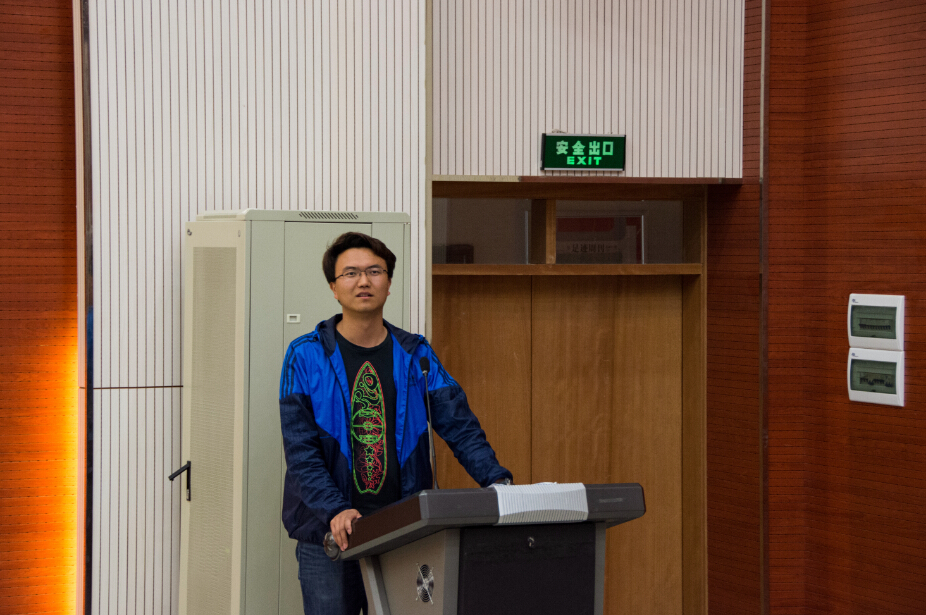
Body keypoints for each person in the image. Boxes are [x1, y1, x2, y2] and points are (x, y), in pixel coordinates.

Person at [279, 231, 512, 615]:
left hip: (404, 530)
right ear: (334, 288)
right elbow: (301, 451)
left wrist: (498, 482)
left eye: (374, 271)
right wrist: (336, 509)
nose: (364, 281)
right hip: (330, 534)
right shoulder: (304, 356)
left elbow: (461, 427)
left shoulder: (416, 354)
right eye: (351, 273)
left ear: (388, 284)